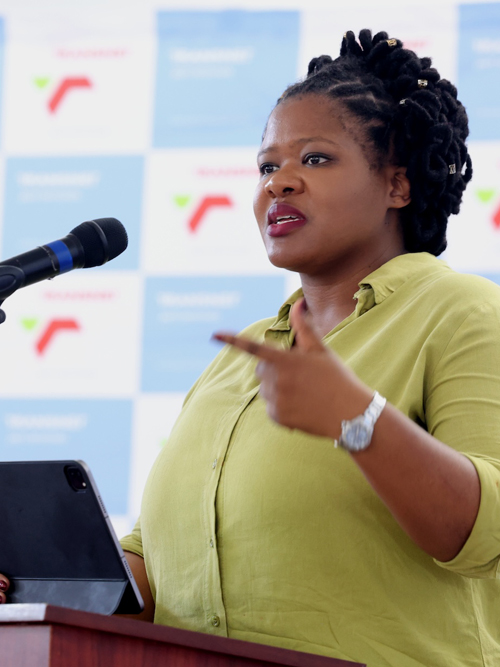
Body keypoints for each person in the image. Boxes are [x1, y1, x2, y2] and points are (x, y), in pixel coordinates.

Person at [2, 29, 500, 667]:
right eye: (267, 167)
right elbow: (156, 571)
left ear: (397, 186)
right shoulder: (238, 361)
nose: (280, 184)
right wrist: (42, 583)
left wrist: (357, 419)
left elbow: (485, 533)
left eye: (315, 159)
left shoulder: (461, 312)